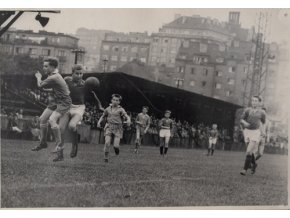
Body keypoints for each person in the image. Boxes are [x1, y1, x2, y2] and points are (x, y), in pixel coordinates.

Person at [53, 64, 104, 162]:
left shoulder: (86, 84)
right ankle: (60, 155)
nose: (79, 75)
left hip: (79, 108)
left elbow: (94, 95)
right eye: (77, 73)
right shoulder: (67, 79)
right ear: (72, 73)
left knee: (72, 126)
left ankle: (75, 144)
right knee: (60, 129)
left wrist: (99, 106)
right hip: (67, 106)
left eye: (81, 73)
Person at [31, 57, 72, 154]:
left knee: (52, 120)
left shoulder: (53, 77)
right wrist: (49, 90)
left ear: (53, 67)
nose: (44, 68)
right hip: (56, 100)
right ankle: (43, 143)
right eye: (43, 66)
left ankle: (59, 145)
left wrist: (38, 77)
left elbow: (40, 85)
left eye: (46, 66)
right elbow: (58, 88)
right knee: (42, 119)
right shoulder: (55, 75)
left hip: (63, 102)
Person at [97, 94, 131, 163]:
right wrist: (98, 122)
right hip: (109, 127)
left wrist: (128, 120)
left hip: (118, 128)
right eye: (114, 100)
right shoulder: (108, 109)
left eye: (117, 100)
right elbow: (103, 116)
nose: (115, 101)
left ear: (119, 102)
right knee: (107, 143)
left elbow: (127, 116)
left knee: (115, 145)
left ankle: (116, 149)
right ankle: (106, 157)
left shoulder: (121, 109)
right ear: (111, 100)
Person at [240, 96, 266, 176]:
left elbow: (263, 122)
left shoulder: (262, 112)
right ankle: (254, 164)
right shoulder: (247, 110)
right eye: (253, 100)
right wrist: (245, 123)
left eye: (256, 101)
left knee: (248, 151)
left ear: (259, 103)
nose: (254, 102)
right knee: (250, 153)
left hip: (255, 132)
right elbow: (241, 119)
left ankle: (244, 169)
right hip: (247, 132)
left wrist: (262, 132)